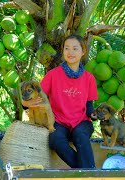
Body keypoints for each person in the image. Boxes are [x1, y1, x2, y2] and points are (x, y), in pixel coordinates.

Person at [22, 34, 98, 168]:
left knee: (81, 136)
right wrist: (25, 104)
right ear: (63, 51)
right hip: (58, 122)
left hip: (82, 122)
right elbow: (37, 96)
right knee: (55, 140)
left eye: (75, 48)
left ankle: (87, 173)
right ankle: (86, 172)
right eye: (67, 48)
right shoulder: (52, 74)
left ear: (83, 51)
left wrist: (93, 114)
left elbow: (89, 105)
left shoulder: (89, 78)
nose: (70, 52)